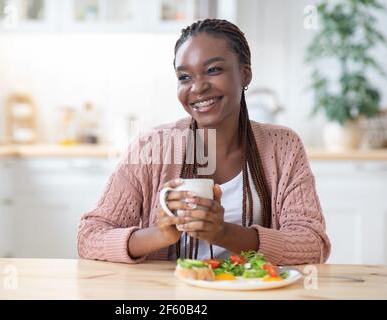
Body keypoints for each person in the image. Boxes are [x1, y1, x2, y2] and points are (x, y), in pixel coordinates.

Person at [77, 19, 331, 265]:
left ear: (244, 75)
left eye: (213, 70)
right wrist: (160, 235)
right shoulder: (151, 146)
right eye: (185, 77)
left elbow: (312, 243)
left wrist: (223, 233)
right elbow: (89, 237)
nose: (197, 88)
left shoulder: (283, 146)